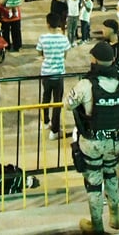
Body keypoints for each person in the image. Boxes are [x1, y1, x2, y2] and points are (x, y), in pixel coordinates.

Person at [65, 40, 119, 234]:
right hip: (114, 141)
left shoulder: (86, 84)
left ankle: (96, 225)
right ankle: (115, 217)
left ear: (94, 60)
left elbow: (68, 104)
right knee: (112, 176)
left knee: (94, 183)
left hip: (92, 142)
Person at [36, 12, 70, 140]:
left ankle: (45, 122)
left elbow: (39, 53)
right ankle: (54, 131)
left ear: (48, 24)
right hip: (59, 74)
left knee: (45, 98)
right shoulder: (63, 38)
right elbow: (65, 55)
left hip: (46, 73)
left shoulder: (43, 38)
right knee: (57, 102)